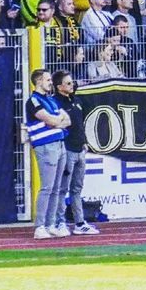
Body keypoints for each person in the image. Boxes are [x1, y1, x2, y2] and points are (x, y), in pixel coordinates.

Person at [25, 68, 72, 239]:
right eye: (48, 80)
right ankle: (39, 226)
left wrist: (55, 123)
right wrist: (56, 121)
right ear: (38, 81)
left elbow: (68, 120)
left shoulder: (51, 100)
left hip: (59, 144)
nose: (51, 83)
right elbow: (51, 119)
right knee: (47, 187)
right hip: (46, 146)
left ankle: (50, 224)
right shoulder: (33, 101)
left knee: (56, 188)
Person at [51, 70, 99, 235]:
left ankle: (79, 222)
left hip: (79, 149)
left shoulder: (77, 101)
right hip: (67, 149)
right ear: (59, 87)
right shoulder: (55, 103)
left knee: (77, 188)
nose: (73, 85)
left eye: (72, 82)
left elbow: (80, 124)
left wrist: (84, 141)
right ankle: (60, 222)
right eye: (69, 83)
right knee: (62, 188)